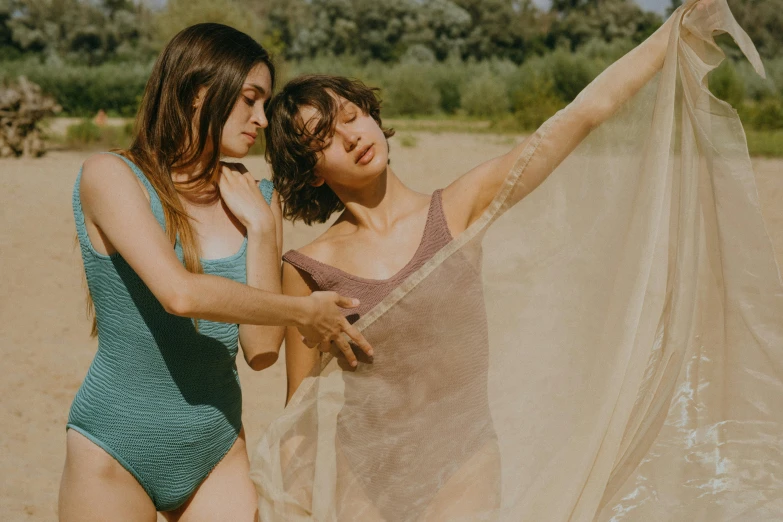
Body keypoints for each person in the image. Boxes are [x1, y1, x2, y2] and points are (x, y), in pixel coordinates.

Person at [251, 0, 779, 519]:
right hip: (363, 482)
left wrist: (673, 32)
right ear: (312, 170)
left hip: (466, 465)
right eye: (324, 137)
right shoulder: (308, 269)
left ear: (371, 114)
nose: (350, 137)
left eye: (351, 115)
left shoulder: (459, 209)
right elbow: (300, 411)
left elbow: (579, 117)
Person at [59, 23, 371, 522]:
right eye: (250, 99)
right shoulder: (111, 176)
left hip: (216, 447)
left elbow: (262, 350)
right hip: (115, 446)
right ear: (199, 91)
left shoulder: (257, 198)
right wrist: (303, 311)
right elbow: (178, 294)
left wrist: (263, 229)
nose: (262, 119)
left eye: (265, 103)